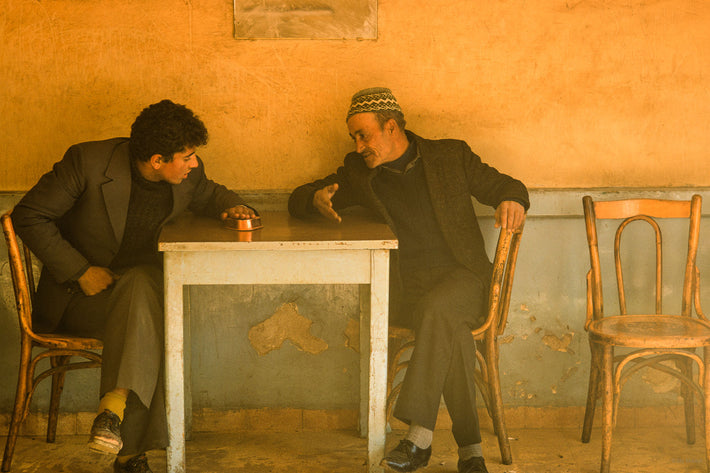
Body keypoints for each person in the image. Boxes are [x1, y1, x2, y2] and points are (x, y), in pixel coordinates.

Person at [288, 88, 528, 473]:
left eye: (364, 134)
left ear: (391, 126)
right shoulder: (359, 171)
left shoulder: (450, 156)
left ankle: (419, 439)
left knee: (440, 311)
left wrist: (513, 200)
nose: (358, 144)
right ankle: (472, 454)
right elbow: (297, 196)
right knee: (450, 333)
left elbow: (506, 185)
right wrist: (314, 199)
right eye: (354, 137)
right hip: (409, 290)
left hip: (465, 279)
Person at [11, 99, 256, 473]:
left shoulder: (188, 173)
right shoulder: (87, 163)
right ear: (156, 160)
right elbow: (29, 216)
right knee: (153, 313)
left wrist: (235, 207)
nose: (193, 163)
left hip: (137, 298)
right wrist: (80, 271)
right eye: (186, 157)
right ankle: (128, 457)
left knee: (144, 292)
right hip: (80, 298)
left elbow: (209, 192)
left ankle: (112, 414)